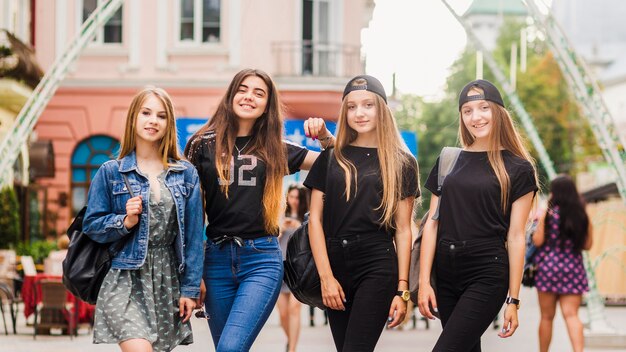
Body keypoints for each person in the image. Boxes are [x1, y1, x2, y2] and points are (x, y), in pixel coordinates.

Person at [184, 68, 332, 351]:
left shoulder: (275, 148)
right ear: (231, 95)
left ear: (267, 106)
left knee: (230, 349)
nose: (249, 96)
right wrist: (193, 276)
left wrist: (325, 136)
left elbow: (335, 162)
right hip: (214, 260)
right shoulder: (201, 145)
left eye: (258, 93)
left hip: (260, 261)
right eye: (243, 89)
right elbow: (191, 216)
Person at [418, 79, 539, 352]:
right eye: (468, 110)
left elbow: (517, 236)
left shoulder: (518, 168)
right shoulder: (449, 160)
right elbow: (432, 225)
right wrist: (425, 282)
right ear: (461, 117)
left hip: (487, 271)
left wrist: (514, 300)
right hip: (446, 272)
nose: (476, 117)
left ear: (498, 112)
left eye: (484, 107)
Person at [83, 87, 204, 352]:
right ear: (133, 118)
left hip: (166, 277)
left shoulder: (186, 174)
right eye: (146, 112)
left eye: (161, 116)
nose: (153, 120)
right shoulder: (111, 172)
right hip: (124, 277)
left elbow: (195, 237)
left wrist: (190, 288)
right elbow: (91, 225)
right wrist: (124, 221)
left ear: (168, 124)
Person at [304, 75, 419, 351]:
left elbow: (403, 230)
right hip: (334, 264)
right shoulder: (331, 157)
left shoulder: (402, 162)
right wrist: (326, 278)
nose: (360, 113)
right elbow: (315, 222)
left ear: (382, 109)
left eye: (368, 105)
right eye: (352, 107)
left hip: (377, 265)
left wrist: (403, 290)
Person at [532, 174, 592, 352]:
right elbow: (588, 245)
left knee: (546, 317)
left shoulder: (549, 213)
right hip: (573, 268)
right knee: (572, 315)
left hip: (548, 269)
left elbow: (538, 241)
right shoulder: (581, 214)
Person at [277, 184, 310, 352]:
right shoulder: (279, 214)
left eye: (297, 198)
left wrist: (299, 227)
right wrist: (281, 229)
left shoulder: (307, 217)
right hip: (281, 268)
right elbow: (271, 238)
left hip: (299, 269)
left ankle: (293, 349)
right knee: (283, 314)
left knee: (294, 309)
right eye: (291, 197)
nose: (294, 201)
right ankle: (291, 340)